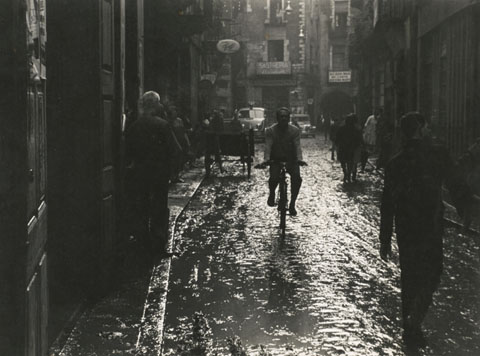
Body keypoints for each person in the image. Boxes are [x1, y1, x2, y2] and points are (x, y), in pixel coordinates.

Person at [379, 112, 472, 348]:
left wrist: (385, 238)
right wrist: (464, 209)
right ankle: (415, 319)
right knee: (433, 271)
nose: (429, 130)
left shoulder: (395, 162)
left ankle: (409, 320)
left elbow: (387, 203)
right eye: (427, 127)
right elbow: (455, 181)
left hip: (405, 225)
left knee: (409, 274)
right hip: (430, 223)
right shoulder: (437, 153)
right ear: (420, 128)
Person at [126, 91, 180, 259]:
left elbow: (128, 152)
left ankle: (142, 246)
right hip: (159, 174)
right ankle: (157, 246)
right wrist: (172, 170)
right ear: (155, 106)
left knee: (141, 208)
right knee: (159, 210)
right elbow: (175, 149)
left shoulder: (134, 126)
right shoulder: (162, 125)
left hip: (140, 174)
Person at [259, 107, 307, 216]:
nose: (284, 119)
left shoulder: (294, 131)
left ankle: (292, 204)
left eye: (286, 116)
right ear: (277, 118)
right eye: (281, 116)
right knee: (274, 178)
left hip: (292, 160)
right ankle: (272, 194)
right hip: (276, 159)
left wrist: (299, 159)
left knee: (297, 179)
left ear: (289, 118)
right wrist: (266, 159)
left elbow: (297, 146)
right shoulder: (271, 131)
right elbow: (268, 146)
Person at [335, 113, 363, 183]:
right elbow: (359, 139)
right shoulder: (355, 129)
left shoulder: (341, 128)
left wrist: (337, 144)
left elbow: (337, 138)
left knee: (343, 162)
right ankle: (349, 174)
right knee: (350, 162)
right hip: (351, 149)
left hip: (342, 148)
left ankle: (345, 173)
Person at [166, 104, 191, 183]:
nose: (175, 113)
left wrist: (187, 141)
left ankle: (176, 176)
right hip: (173, 143)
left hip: (181, 142)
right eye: (173, 111)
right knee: (172, 160)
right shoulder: (168, 122)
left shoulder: (179, 120)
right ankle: (172, 176)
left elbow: (183, 132)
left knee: (180, 160)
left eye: (176, 111)